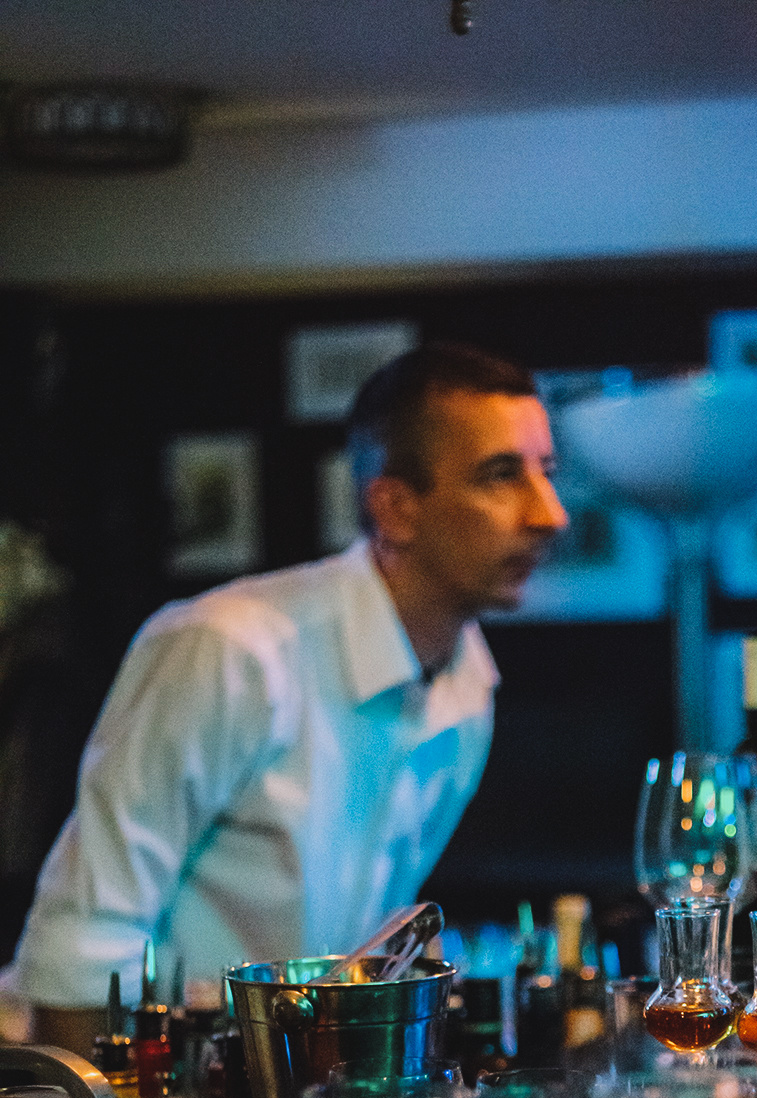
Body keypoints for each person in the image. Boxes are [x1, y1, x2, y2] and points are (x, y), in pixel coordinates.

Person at [9, 341, 568, 1056]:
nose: (550, 514)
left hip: (285, 1084)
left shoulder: (466, 682)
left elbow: (357, 953)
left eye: (547, 473)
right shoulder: (231, 649)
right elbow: (82, 947)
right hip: (144, 1077)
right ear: (395, 508)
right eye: (501, 475)